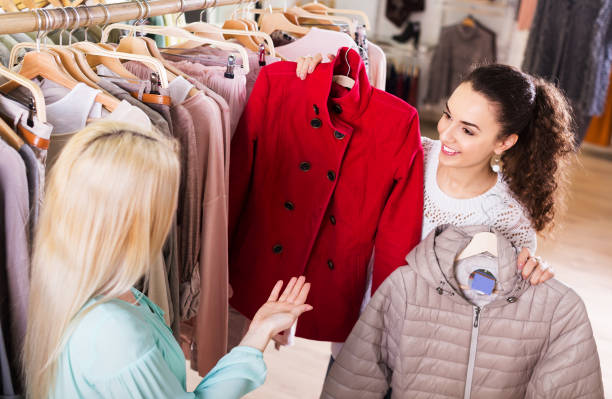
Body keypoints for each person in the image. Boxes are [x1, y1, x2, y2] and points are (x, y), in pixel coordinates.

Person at [295, 57, 575, 363]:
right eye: (447, 116)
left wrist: (523, 278)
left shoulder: (506, 216)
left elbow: (489, 292)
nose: (446, 134)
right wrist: (314, 81)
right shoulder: (409, 154)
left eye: (467, 131)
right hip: (360, 334)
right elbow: (331, 150)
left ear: (504, 142)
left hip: (423, 358)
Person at [23, 121, 313, 399]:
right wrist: (256, 338)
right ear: (132, 219)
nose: (174, 207)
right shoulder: (115, 332)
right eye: (166, 198)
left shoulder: (71, 284)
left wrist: (257, 333)